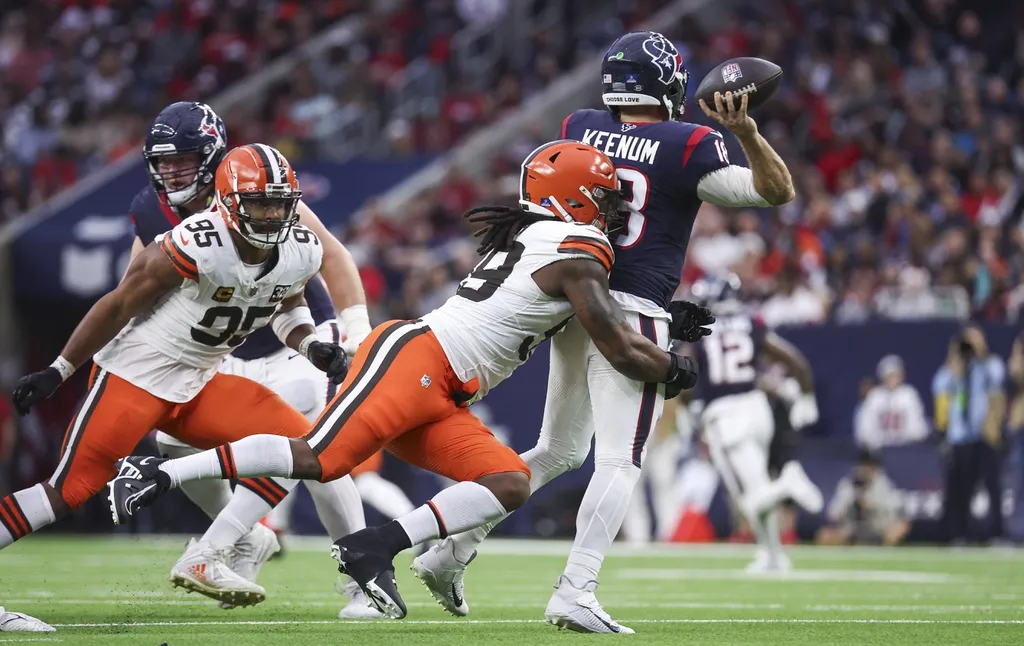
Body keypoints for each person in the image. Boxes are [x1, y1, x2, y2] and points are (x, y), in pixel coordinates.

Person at [107, 140, 703, 621]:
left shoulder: (539, 235)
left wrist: (668, 318)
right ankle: (159, 470)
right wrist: (675, 366)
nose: (614, 207)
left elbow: (573, 307)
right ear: (574, 198)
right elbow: (618, 344)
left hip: (443, 387)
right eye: (601, 194)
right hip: (416, 361)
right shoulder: (579, 247)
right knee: (319, 456)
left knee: (509, 481)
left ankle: (374, 545)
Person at [412, 30, 795, 634]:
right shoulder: (690, 142)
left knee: (560, 449)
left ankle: (451, 547)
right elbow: (775, 192)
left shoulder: (579, 125)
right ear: (667, 83)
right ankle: (575, 589)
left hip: (573, 298)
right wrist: (744, 130)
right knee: (621, 459)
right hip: (632, 311)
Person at [6, 145, 349, 611]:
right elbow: (120, 303)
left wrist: (312, 345)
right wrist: (60, 369)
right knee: (67, 490)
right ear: (228, 202)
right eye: (259, 203)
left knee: (308, 450)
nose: (271, 214)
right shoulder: (194, 242)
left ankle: (218, 549)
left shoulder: (300, 249)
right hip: (138, 375)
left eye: (279, 202)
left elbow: (288, 307)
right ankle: (231, 540)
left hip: (201, 380)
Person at [128, 101, 377, 618]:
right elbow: (133, 293)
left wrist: (356, 328)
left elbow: (331, 253)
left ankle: (364, 576)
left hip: (297, 339)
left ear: (213, 153)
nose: (172, 170)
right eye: (164, 161)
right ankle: (247, 538)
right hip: (216, 352)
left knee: (313, 454)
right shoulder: (150, 208)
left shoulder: (252, 181)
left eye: (185, 158)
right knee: (172, 443)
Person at [691, 274, 822, 572]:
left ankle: (788, 483)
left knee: (748, 499)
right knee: (758, 487)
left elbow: (689, 374)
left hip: (724, 415)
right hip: (757, 408)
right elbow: (795, 360)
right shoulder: (752, 322)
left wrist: (689, 408)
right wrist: (807, 397)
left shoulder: (700, 328)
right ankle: (773, 555)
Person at [933, 325, 1007, 544]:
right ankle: (959, 533)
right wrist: (954, 359)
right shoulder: (954, 369)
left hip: (983, 435)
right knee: (960, 489)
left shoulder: (988, 365)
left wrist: (979, 355)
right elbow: (938, 386)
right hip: (960, 437)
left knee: (993, 485)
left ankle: (997, 533)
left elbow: (998, 379)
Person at [815, 449, 909, 546]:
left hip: (877, 529)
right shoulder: (848, 485)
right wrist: (852, 504)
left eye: (870, 467)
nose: (865, 470)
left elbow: (893, 511)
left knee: (900, 527)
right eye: (863, 466)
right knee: (823, 535)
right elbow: (834, 514)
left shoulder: (883, 484)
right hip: (852, 531)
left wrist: (870, 505)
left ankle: (879, 548)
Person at [855, 355, 929, 450]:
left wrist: (901, 439)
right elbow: (864, 429)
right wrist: (879, 441)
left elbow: (918, 429)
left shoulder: (909, 395)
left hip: (906, 450)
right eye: (890, 375)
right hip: (878, 451)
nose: (893, 379)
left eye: (896, 375)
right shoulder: (874, 396)